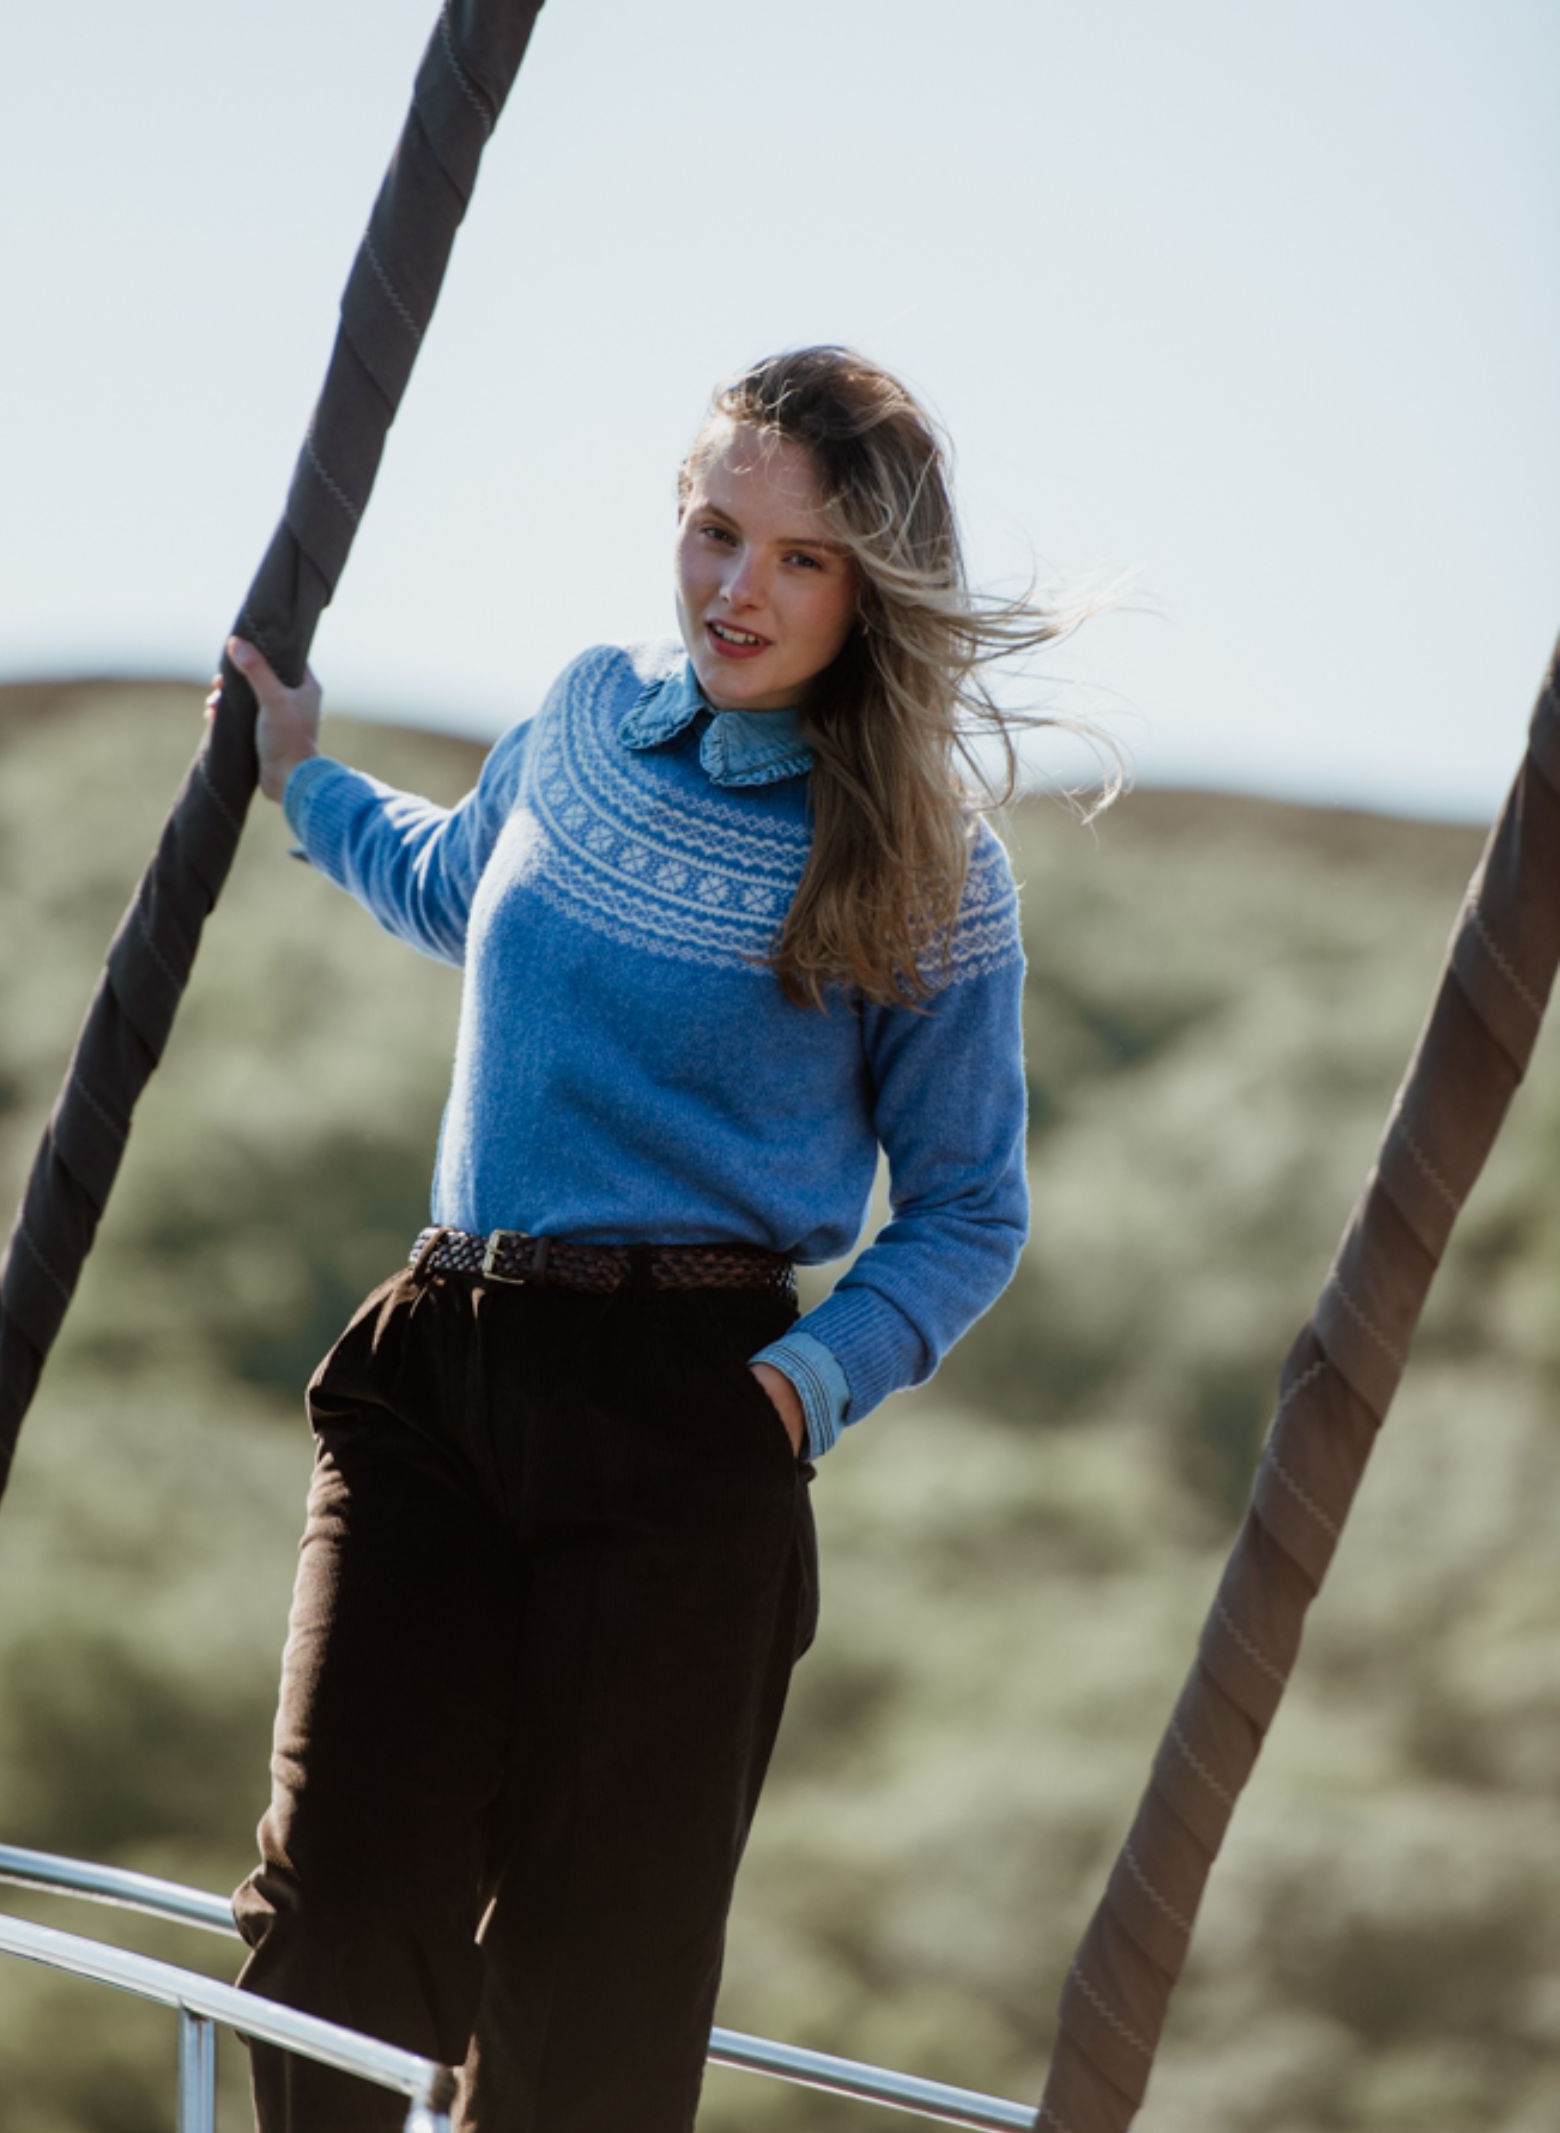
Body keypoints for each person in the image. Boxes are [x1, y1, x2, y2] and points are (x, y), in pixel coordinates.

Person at [209, 343, 1113, 2133]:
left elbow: (968, 1208)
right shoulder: (579, 718)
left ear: (870, 587)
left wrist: (794, 1389)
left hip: (690, 1411)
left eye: (799, 557)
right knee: (335, 1913)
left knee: (596, 1996)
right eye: (715, 532)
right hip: (441, 1364)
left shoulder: (929, 861)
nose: (736, 588)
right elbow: (456, 884)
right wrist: (300, 781)